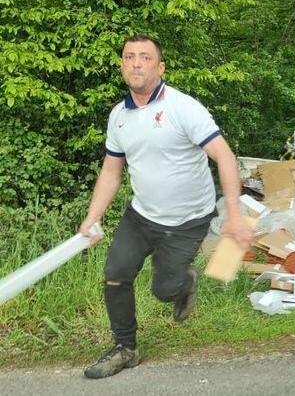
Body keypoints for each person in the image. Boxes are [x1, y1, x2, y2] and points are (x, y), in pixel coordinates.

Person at [79, 34, 254, 379]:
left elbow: (225, 156)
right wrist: (91, 218)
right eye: (129, 57)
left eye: (145, 57)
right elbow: (112, 171)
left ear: (160, 67)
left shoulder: (183, 108)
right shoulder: (118, 116)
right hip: (141, 215)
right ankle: (124, 348)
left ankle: (183, 282)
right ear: (121, 65)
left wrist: (234, 215)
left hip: (188, 220)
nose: (136, 63)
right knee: (115, 274)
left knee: (163, 291)